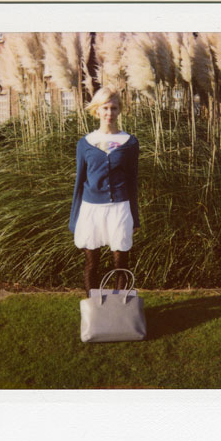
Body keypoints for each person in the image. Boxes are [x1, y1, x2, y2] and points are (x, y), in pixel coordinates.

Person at [69, 86, 140, 296]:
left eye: (114, 108)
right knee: (92, 263)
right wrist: (74, 219)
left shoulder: (129, 143)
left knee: (121, 263)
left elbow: (132, 182)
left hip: (120, 208)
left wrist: (135, 217)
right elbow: (79, 183)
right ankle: (94, 309)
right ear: (97, 110)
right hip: (91, 210)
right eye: (105, 108)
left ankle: (120, 310)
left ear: (119, 110)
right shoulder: (85, 143)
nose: (110, 113)